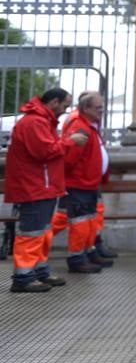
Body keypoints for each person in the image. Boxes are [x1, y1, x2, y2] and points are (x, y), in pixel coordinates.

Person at [5, 89, 86, 292]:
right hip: (35, 186)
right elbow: (45, 151)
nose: (66, 110)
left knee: (41, 232)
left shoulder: (41, 121)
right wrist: (71, 141)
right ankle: (24, 277)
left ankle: (38, 271)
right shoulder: (35, 122)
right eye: (65, 106)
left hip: (42, 185)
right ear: (54, 102)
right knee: (32, 232)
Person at [53, 92, 110, 274]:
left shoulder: (88, 125)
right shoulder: (81, 127)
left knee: (88, 221)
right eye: (98, 108)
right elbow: (69, 160)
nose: (102, 111)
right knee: (80, 223)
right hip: (79, 184)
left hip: (87, 183)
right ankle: (77, 258)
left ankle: (85, 254)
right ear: (86, 108)